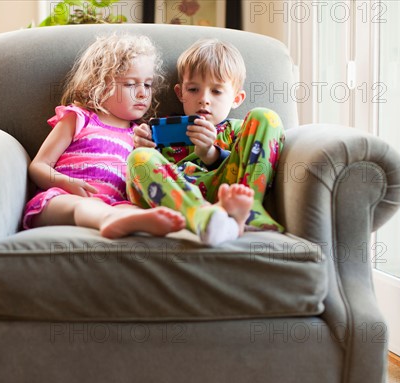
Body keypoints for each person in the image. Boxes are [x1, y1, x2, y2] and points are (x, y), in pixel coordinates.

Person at [22, 33, 186, 239]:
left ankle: (130, 221)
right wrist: (64, 182)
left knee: (133, 211)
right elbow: (38, 166)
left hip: (115, 204)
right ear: (97, 85)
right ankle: (109, 220)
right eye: (130, 84)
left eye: (147, 84)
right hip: (62, 199)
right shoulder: (78, 118)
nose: (143, 93)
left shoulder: (141, 135)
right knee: (85, 206)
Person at [129, 38, 286, 245]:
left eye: (217, 91)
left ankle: (250, 208)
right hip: (178, 194)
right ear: (180, 93)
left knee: (265, 116)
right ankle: (203, 218)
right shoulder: (163, 130)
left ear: (236, 98)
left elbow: (243, 163)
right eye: (193, 89)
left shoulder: (239, 130)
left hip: (229, 187)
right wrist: (142, 144)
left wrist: (210, 153)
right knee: (138, 158)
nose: (204, 99)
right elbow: (150, 169)